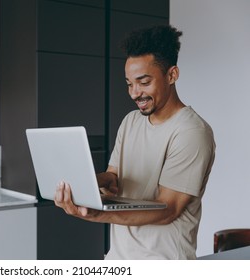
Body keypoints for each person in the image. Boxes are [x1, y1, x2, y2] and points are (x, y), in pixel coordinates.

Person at [54, 25, 216, 260]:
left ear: (172, 75)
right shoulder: (131, 121)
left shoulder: (191, 132)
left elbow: (167, 210)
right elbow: (115, 178)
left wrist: (96, 215)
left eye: (144, 82)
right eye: (129, 83)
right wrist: (84, 183)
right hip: (118, 259)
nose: (134, 93)